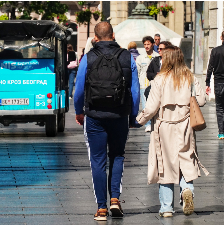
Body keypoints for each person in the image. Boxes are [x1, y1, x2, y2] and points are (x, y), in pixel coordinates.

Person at [73, 21, 140, 221]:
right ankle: (115, 200)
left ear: (95, 38)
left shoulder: (88, 57)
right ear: (112, 35)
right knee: (118, 156)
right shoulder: (127, 57)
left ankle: (101, 208)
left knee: (98, 160)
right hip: (119, 115)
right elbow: (135, 91)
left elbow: (78, 90)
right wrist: (133, 115)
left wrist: (79, 111)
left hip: (94, 116)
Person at [136, 46, 209, 217]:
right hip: (186, 125)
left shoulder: (159, 80)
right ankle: (186, 189)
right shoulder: (190, 78)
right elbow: (202, 101)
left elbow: (152, 107)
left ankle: (167, 208)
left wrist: (139, 120)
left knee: (165, 165)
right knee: (186, 160)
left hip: (164, 126)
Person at [136, 36, 159, 132]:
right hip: (144, 85)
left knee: (155, 104)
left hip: (155, 85)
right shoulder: (140, 58)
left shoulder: (157, 57)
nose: (146, 46)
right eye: (145, 44)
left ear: (152, 44)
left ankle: (155, 123)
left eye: (148, 44)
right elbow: (137, 72)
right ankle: (148, 124)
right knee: (146, 105)